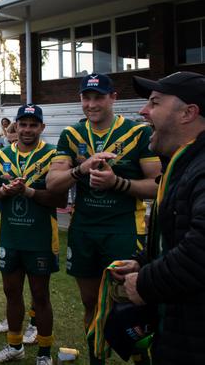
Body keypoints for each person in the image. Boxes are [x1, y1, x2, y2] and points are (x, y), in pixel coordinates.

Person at [45, 73, 160, 365]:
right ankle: (97, 359)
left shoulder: (138, 134)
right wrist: (81, 169)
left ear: (113, 99)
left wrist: (117, 183)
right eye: (86, 97)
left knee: (130, 302)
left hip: (123, 229)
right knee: (91, 303)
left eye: (98, 97)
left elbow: (158, 185)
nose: (91, 104)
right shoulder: (71, 135)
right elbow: (52, 183)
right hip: (84, 230)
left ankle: (140, 359)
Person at [110, 71, 205, 364]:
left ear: (188, 113)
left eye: (154, 102)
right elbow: (177, 233)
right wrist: (144, 260)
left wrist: (146, 281)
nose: (143, 110)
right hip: (179, 331)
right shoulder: (183, 164)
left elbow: (201, 248)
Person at [0, 104, 66, 365]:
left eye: (33, 124)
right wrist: (5, 191)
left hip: (40, 237)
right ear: (15, 126)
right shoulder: (1, 157)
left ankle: (44, 353)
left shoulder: (54, 156)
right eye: (23, 124)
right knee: (12, 292)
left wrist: (28, 192)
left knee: (40, 295)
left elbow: (60, 197)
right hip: (10, 236)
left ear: (42, 127)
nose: (27, 129)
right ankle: (14, 345)